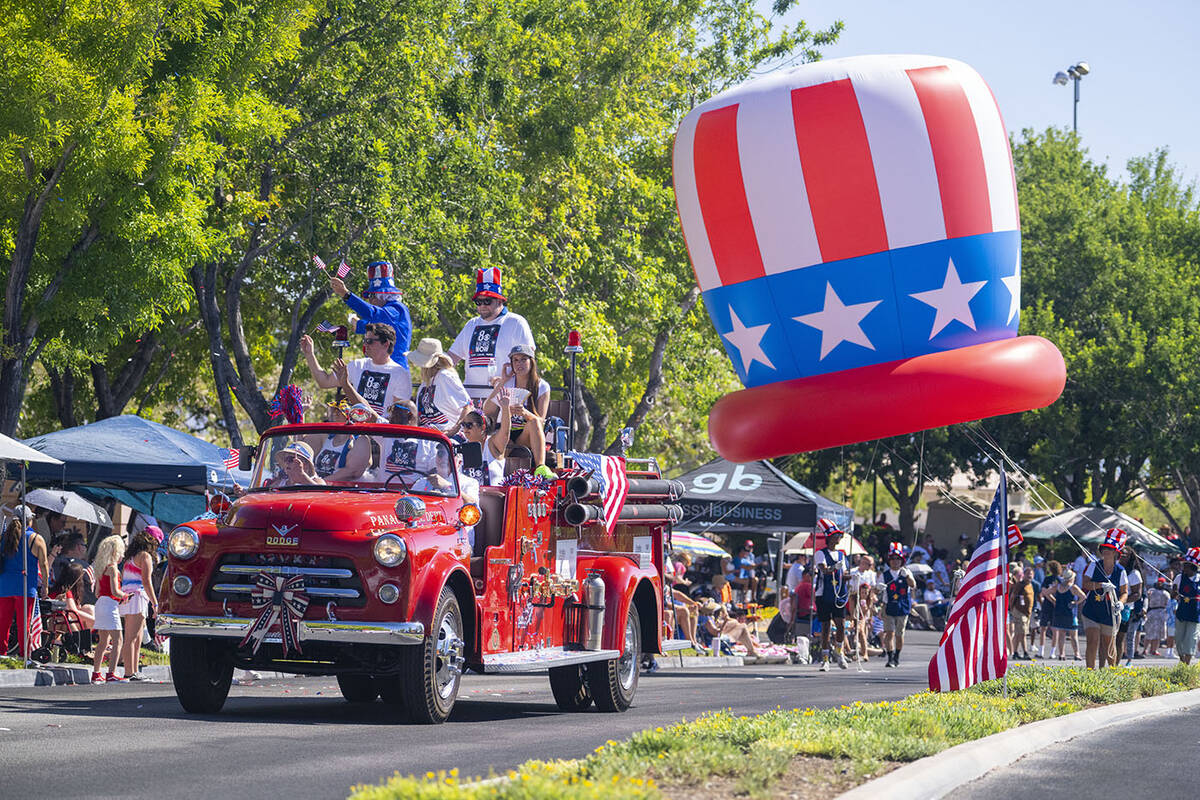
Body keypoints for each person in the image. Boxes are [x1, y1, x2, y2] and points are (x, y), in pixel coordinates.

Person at [449, 268, 535, 401]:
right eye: (478, 302)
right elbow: (452, 358)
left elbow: (529, 359)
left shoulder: (516, 322)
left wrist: (507, 379)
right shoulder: (471, 325)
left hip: (504, 399)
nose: (482, 305)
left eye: (487, 301)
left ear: (500, 301)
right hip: (472, 398)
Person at [302, 323, 410, 414]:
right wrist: (309, 354)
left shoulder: (400, 374)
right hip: (356, 431)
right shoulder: (357, 365)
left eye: (370, 341)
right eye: (364, 340)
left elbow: (398, 416)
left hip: (382, 433)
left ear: (386, 344)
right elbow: (324, 382)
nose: (365, 344)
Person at [331, 260, 412, 362]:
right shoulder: (383, 318)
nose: (370, 299)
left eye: (372, 295)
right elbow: (364, 325)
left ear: (384, 294)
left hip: (396, 372)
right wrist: (353, 320)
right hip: (379, 371)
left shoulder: (397, 309)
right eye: (369, 295)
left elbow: (373, 313)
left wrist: (346, 294)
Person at [482, 345, 549, 468]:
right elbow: (487, 410)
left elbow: (541, 421)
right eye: (515, 360)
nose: (519, 363)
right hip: (505, 430)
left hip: (526, 434)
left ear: (531, 361)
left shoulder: (542, 386)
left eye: (523, 359)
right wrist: (502, 381)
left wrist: (524, 413)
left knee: (534, 422)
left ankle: (541, 468)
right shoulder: (507, 382)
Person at [0, 510, 49, 660]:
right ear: (30, 520)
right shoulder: (35, 539)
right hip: (25, 586)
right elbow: (44, 564)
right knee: (24, 624)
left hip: (4, 586)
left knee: (3, 623)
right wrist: (45, 586)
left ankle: (1, 654)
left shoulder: (4, 537)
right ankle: (24, 655)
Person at [1080, 529, 1129, 669]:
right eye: (1105, 548)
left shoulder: (1120, 571)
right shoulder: (1094, 565)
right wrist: (1100, 585)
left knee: (1109, 644)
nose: (1106, 550)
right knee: (1092, 641)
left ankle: (1111, 672)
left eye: (1110, 549)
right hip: (1092, 610)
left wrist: (1121, 602)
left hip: (1109, 613)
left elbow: (1124, 592)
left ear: (1115, 553)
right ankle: (1090, 672)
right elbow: (1085, 584)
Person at [117, 528, 160, 681]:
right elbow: (147, 582)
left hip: (128, 597)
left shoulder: (130, 557)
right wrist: (155, 604)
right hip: (137, 597)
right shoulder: (145, 556)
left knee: (135, 637)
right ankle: (130, 672)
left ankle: (134, 670)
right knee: (132, 638)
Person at [409, 338, 472, 432]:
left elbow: (467, 407)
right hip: (429, 435)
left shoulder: (445, 376)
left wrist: (453, 431)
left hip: (447, 437)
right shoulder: (425, 383)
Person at [812, 519, 850, 671]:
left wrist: (853, 577)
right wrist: (834, 567)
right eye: (836, 536)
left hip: (838, 594)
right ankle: (825, 659)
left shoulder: (842, 555)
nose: (838, 538)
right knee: (826, 627)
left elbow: (844, 574)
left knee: (841, 625)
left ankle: (839, 652)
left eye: (839, 536)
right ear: (829, 538)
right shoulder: (820, 554)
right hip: (824, 594)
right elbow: (824, 570)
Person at [304, 398, 371, 482]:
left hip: (342, 492)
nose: (334, 414)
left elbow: (352, 472)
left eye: (339, 412)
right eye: (333, 411)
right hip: (319, 488)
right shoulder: (326, 437)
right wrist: (300, 415)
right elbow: (301, 449)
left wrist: (320, 483)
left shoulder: (360, 439)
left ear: (348, 415)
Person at [90, 535, 127, 683]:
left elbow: (97, 592)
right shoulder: (113, 569)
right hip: (110, 605)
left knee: (103, 641)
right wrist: (125, 596)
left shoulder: (101, 568)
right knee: (118, 639)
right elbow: (115, 591)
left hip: (100, 604)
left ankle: (96, 672)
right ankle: (111, 673)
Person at [447, 400, 512, 486]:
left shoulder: (492, 443)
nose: (465, 429)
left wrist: (505, 408)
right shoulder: (461, 447)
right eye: (463, 425)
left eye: (469, 425)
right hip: (468, 496)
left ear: (482, 427)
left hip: (492, 496)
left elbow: (505, 433)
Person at [876, 543, 914, 667]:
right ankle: (890, 657)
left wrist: (907, 576)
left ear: (901, 560)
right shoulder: (885, 575)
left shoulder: (906, 571)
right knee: (889, 632)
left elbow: (913, 585)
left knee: (899, 634)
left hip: (902, 606)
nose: (895, 561)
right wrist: (878, 588)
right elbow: (876, 590)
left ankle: (897, 655)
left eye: (897, 558)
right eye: (892, 558)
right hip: (889, 606)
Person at [1042, 565, 1085, 660]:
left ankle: (1062, 654)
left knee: (1062, 634)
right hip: (1070, 613)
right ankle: (1076, 653)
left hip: (1059, 612)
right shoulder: (1073, 587)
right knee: (1073, 635)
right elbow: (1083, 596)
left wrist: (1054, 601)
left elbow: (1046, 592)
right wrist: (1076, 602)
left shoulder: (1058, 587)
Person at [48, 561, 95, 631]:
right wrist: (95, 620)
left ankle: (86, 636)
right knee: (70, 617)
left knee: (89, 608)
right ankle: (81, 638)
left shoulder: (58, 588)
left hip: (56, 620)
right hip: (57, 621)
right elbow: (72, 611)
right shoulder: (66, 592)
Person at [1172, 547, 1200, 665]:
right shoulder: (1179, 578)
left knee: (1190, 640)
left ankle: (1186, 666)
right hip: (1181, 613)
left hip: (1195, 615)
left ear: (1194, 567)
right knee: (1179, 640)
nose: (1184, 569)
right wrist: (1174, 591)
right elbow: (1173, 595)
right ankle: (1182, 660)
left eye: (1187, 566)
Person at [1117, 547, 1144, 665]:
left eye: (1125, 555)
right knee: (1109, 637)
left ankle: (1121, 663)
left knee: (1122, 638)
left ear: (1130, 557)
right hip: (1109, 606)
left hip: (1125, 609)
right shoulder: (1114, 569)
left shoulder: (1134, 574)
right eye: (1121, 554)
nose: (1122, 556)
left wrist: (1122, 601)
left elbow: (1137, 594)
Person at [849, 554, 876, 662]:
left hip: (865, 600)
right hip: (854, 598)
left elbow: (872, 588)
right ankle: (856, 650)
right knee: (854, 627)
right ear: (863, 563)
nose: (870, 566)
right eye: (869, 564)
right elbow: (850, 587)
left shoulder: (871, 574)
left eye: (871, 564)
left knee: (861, 628)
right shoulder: (853, 572)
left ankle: (863, 652)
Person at [1008, 565, 1034, 659]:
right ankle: (1025, 652)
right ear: (1024, 575)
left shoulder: (1030, 585)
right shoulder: (1020, 585)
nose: (1029, 576)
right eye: (1027, 574)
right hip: (1019, 611)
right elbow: (1012, 597)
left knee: (1020, 633)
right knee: (1022, 632)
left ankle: (1015, 652)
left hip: (1027, 612)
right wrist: (1012, 609)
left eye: (1031, 574)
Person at [1143, 575, 1170, 657]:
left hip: (1161, 612)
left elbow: (1168, 604)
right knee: (1149, 632)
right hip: (1152, 612)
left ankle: (1154, 649)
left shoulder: (1165, 593)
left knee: (1158, 633)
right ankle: (1145, 650)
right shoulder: (1151, 591)